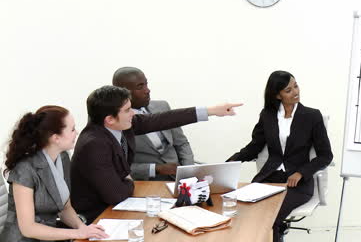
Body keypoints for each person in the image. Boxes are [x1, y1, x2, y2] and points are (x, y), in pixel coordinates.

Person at [71, 85, 241, 223]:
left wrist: (211, 110)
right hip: (98, 216)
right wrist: (127, 179)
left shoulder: (119, 125)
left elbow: (162, 119)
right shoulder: (94, 144)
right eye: (128, 110)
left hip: (119, 206)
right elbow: (115, 194)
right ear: (109, 119)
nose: (134, 113)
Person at [227, 71, 333, 242]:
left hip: (298, 182)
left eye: (296, 86)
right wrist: (232, 161)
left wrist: (301, 173)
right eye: (288, 90)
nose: (295, 92)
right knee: (243, 211)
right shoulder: (267, 115)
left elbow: (325, 155)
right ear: (277, 95)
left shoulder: (312, 116)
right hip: (270, 178)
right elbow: (255, 146)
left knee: (270, 216)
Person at [0, 106, 108, 242]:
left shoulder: (62, 158)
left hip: (50, 237)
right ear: (56, 138)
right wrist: (77, 234)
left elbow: (65, 208)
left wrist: (83, 228)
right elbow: (28, 228)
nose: (77, 133)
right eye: (72, 129)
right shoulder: (25, 169)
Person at [112, 67, 194, 181]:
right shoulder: (115, 122)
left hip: (180, 178)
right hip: (147, 182)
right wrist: (155, 168)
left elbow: (181, 143)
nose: (147, 90)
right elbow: (117, 168)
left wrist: (188, 171)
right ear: (122, 92)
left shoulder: (162, 106)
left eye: (146, 84)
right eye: (140, 87)